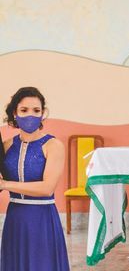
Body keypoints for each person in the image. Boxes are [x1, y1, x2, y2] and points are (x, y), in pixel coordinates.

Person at [0, 87, 70, 270]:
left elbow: (47, 188)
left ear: (43, 114)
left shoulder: (53, 145)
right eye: (24, 110)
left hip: (42, 219)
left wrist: (5, 184)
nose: (30, 115)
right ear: (14, 113)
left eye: (36, 110)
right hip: (15, 218)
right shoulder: (7, 146)